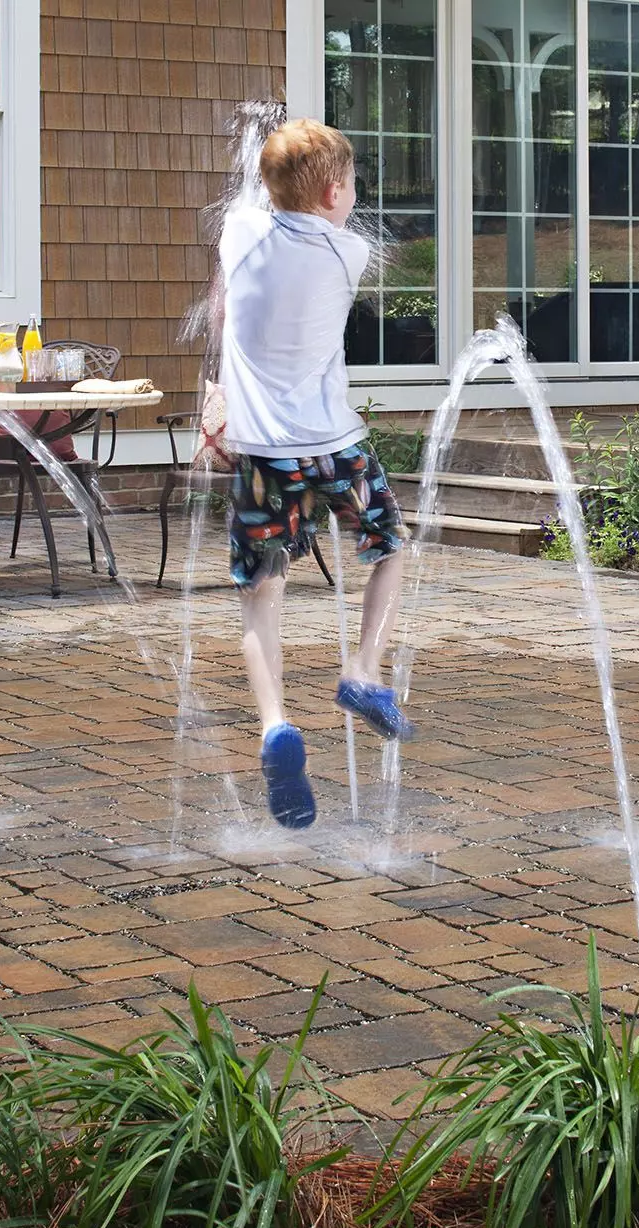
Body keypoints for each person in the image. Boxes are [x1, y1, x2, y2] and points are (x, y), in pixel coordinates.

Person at [218, 118, 411, 829]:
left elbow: (253, 202)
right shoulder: (347, 254)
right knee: (390, 549)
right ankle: (363, 671)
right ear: (334, 192)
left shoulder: (238, 237)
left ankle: (274, 724)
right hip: (337, 445)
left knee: (263, 593)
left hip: (266, 453)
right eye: (352, 183)